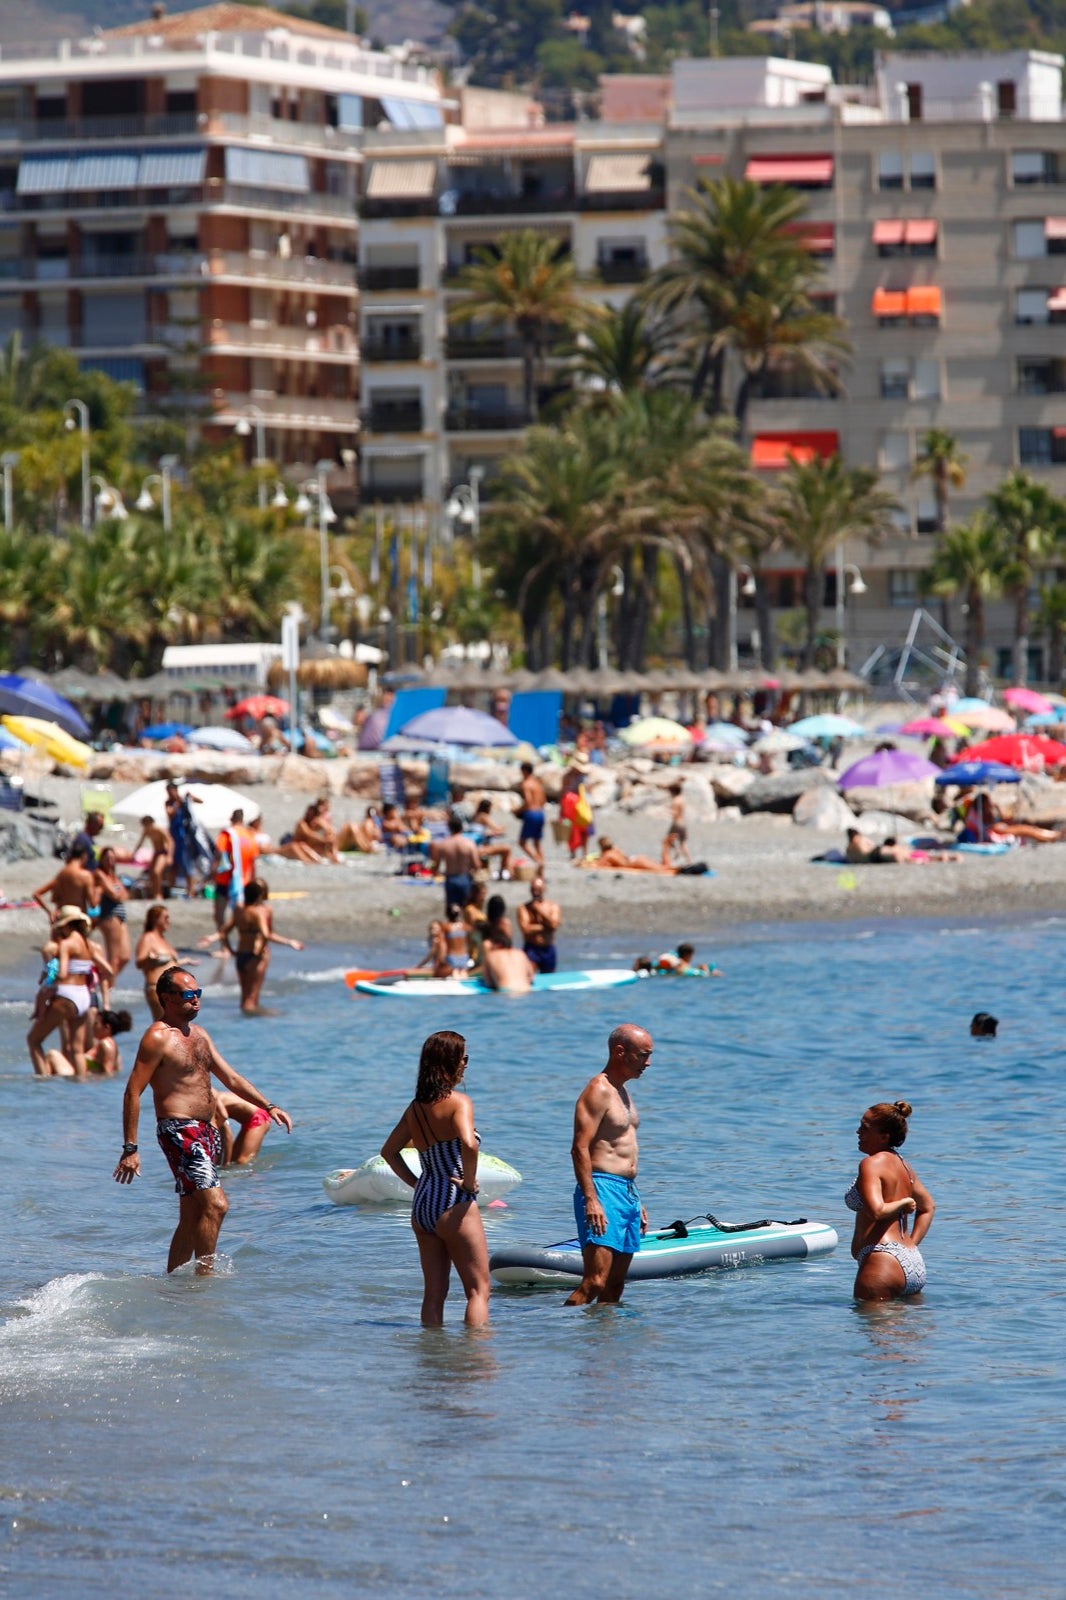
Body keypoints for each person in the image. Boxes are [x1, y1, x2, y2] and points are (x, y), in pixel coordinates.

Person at [113, 967, 292, 1274]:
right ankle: (204, 1279)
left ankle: (174, 1288)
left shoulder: (199, 1035)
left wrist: (268, 1105)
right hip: (179, 1130)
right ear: (167, 998)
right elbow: (133, 1091)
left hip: (205, 1132)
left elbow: (231, 1078)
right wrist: (131, 1147)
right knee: (217, 1205)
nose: (195, 1000)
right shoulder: (157, 1037)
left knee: (192, 1215)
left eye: (198, 993)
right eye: (187, 995)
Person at [379, 1030, 490, 1327]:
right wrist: (469, 1182)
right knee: (478, 1291)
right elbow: (469, 1144)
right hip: (454, 1201)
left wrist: (417, 1185)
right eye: (463, 1057)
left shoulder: (415, 1108)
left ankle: (432, 1363)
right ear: (450, 1061)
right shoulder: (459, 1102)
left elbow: (389, 1152)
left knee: (434, 1295)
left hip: (424, 1202)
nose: (466, 1063)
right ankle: (476, 1361)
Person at [565, 1024, 653, 1307]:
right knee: (595, 1282)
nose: (648, 1063)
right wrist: (591, 1199)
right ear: (620, 1052)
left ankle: (604, 1347)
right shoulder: (598, 1090)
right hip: (601, 1189)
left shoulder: (622, 1091)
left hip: (625, 1191)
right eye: (643, 1055)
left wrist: (635, 1199)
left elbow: (623, 1149)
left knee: (614, 1286)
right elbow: (579, 1148)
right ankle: (555, 1328)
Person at [846, 1100, 935, 1301]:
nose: (858, 1132)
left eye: (865, 1128)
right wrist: (911, 1244)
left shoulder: (870, 1164)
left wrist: (903, 1203)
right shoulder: (904, 1166)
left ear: (884, 1136)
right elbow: (928, 1207)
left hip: (882, 1260)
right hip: (912, 1262)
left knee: (870, 1329)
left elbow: (876, 1211)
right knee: (909, 1331)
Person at [27, 906, 115, 1078]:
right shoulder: (88, 945)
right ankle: (80, 1088)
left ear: (67, 926)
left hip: (67, 994)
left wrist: (47, 984)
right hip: (84, 996)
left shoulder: (66, 944)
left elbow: (62, 973)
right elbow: (109, 970)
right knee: (77, 1049)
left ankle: (42, 1085)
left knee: (34, 1040)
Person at [221, 877, 303, 1014]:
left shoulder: (240, 909)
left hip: (240, 954)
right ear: (261, 894)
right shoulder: (261, 911)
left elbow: (224, 932)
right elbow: (267, 934)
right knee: (252, 998)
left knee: (244, 998)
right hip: (256, 956)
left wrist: (231, 950)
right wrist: (289, 942)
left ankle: (244, 1024)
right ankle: (254, 1024)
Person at [135, 904, 189, 1021]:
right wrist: (149, 959)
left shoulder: (162, 939)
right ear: (155, 919)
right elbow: (139, 962)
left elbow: (168, 963)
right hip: (157, 989)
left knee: (176, 1026)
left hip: (173, 991)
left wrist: (184, 962)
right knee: (166, 1025)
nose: (168, 921)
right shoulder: (148, 938)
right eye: (165, 917)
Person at [46, 1007, 133, 1078]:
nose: (93, 1027)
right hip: (82, 1075)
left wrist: (91, 1079)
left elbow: (108, 1074)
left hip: (81, 1077)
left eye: (96, 1024)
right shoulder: (111, 1044)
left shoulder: (106, 1045)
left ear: (106, 1027)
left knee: (52, 1054)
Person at [211, 809, 260, 931]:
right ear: (242, 820)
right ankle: (245, 942)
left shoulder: (226, 835)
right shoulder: (250, 836)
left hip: (225, 879)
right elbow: (253, 862)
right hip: (245, 881)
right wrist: (253, 881)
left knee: (220, 915)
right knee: (243, 914)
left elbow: (220, 856)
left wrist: (212, 874)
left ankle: (224, 947)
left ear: (231, 819)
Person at [429, 813, 482, 916]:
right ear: (461, 828)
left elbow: (435, 866)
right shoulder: (469, 844)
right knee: (467, 908)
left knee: (452, 910)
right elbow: (477, 865)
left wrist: (436, 873)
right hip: (465, 877)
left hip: (451, 878)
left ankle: (453, 927)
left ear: (449, 828)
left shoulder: (444, 844)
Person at [33, 842, 99, 920]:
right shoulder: (85, 876)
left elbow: (36, 894)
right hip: (77, 919)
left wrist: (49, 912)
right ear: (84, 856)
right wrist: (100, 890)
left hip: (61, 918)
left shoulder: (61, 874)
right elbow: (93, 904)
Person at [212, 1089, 276, 1165]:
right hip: (247, 1120)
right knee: (234, 1161)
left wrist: (225, 1164)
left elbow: (227, 1135)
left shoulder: (209, 1102)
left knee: (243, 1160)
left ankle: (258, 1176)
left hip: (259, 1117)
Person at [95, 846, 131, 980]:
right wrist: (118, 894)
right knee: (114, 957)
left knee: (125, 957)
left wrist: (119, 894)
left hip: (121, 915)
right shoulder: (99, 873)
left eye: (112, 858)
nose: (110, 861)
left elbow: (125, 895)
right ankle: (108, 987)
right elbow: (114, 895)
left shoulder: (113, 875)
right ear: (102, 859)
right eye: (107, 858)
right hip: (109, 916)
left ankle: (107, 981)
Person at [517, 875, 561, 974]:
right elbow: (526, 929)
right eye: (533, 889)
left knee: (549, 979)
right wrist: (546, 927)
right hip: (532, 948)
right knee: (528, 976)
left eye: (538, 889)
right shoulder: (523, 908)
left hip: (548, 948)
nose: (536, 892)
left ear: (544, 889)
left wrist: (539, 910)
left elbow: (554, 925)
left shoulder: (553, 906)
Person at [132, 815, 173, 901]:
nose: (145, 827)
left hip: (163, 853)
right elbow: (140, 842)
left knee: (157, 871)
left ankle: (159, 894)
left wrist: (170, 856)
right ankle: (154, 893)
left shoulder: (159, 830)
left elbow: (170, 842)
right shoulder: (146, 831)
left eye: (146, 825)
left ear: (151, 823)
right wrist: (134, 853)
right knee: (151, 873)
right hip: (156, 853)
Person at [472, 798, 512, 879]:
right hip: (479, 848)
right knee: (506, 849)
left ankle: (503, 872)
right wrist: (504, 827)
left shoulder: (475, 816)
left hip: (474, 846)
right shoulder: (483, 816)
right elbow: (496, 829)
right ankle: (504, 873)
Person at [517, 762, 547, 868]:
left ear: (524, 771)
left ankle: (538, 861)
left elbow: (528, 802)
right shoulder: (537, 783)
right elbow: (543, 800)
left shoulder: (526, 784)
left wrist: (517, 810)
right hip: (540, 813)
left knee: (522, 842)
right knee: (537, 843)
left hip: (531, 814)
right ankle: (541, 868)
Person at [661, 783, 692, 867]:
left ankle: (676, 852)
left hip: (676, 824)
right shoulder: (682, 799)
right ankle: (689, 860)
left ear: (672, 792)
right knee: (683, 843)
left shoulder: (675, 801)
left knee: (667, 840)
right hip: (683, 823)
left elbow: (675, 813)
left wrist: (666, 811)